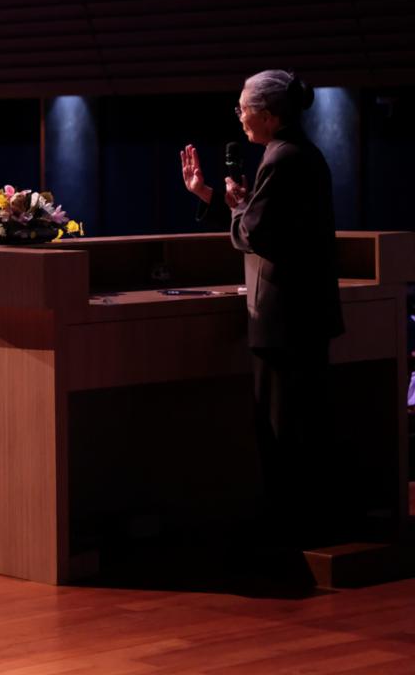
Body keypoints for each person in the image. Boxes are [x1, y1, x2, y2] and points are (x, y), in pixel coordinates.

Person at [180, 69, 344, 541]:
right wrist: (214, 197)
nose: (240, 117)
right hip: (305, 315)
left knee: (283, 429)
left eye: (244, 108)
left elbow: (254, 234)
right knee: (301, 423)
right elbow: (262, 221)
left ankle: (290, 532)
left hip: (286, 317)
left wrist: (233, 208)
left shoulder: (282, 158)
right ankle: (305, 523)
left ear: (269, 116)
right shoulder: (297, 153)